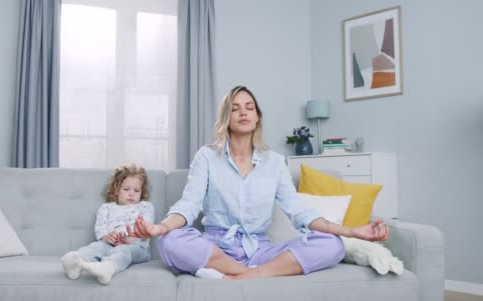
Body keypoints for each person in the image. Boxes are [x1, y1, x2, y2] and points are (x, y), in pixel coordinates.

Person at [130, 85, 389, 280]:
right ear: (226, 118)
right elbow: (189, 204)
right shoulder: (207, 156)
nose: (243, 112)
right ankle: (244, 273)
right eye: (235, 107)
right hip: (217, 247)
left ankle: (247, 276)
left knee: (332, 245)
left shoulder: (275, 162)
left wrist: (352, 232)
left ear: (257, 117)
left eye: (249, 107)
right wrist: (160, 228)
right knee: (170, 241)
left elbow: (299, 213)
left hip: (262, 250)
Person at [61, 163, 154, 284]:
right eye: (126, 189)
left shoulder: (145, 206)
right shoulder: (106, 208)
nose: (131, 193)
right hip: (110, 244)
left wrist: (129, 239)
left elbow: (148, 229)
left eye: (136, 190)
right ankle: (76, 262)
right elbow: (100, 228)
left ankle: (108, 267)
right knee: (96, 247)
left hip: (137, 246)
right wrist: (107, 237)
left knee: (123, 251)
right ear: (116, 189)